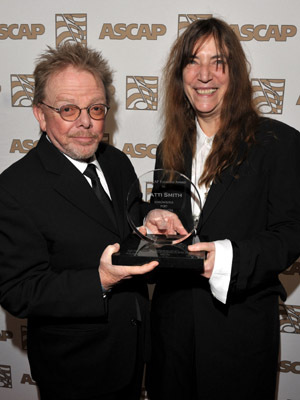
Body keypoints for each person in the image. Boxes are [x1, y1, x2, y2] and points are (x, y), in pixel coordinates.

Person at [145, 17, 300, 400]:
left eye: (219, 61)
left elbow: (291, 235)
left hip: (240, 328)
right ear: (180, 74)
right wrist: (154, 220)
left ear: (235, 72)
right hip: (172, 329)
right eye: (193, 61)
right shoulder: (170, 147)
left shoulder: (277, 142)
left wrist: (228, 257)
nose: (204, 75)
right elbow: (166, 216)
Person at [0, 42, 158, 400]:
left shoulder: (116, 162)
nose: (85, 122)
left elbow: (126, 216)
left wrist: (150, 213)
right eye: (68, 109)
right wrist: (99, 280)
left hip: (134, 352)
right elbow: (18, 291)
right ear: (40, 114)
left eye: (96, 108)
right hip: (75, 370)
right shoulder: (14, 189)